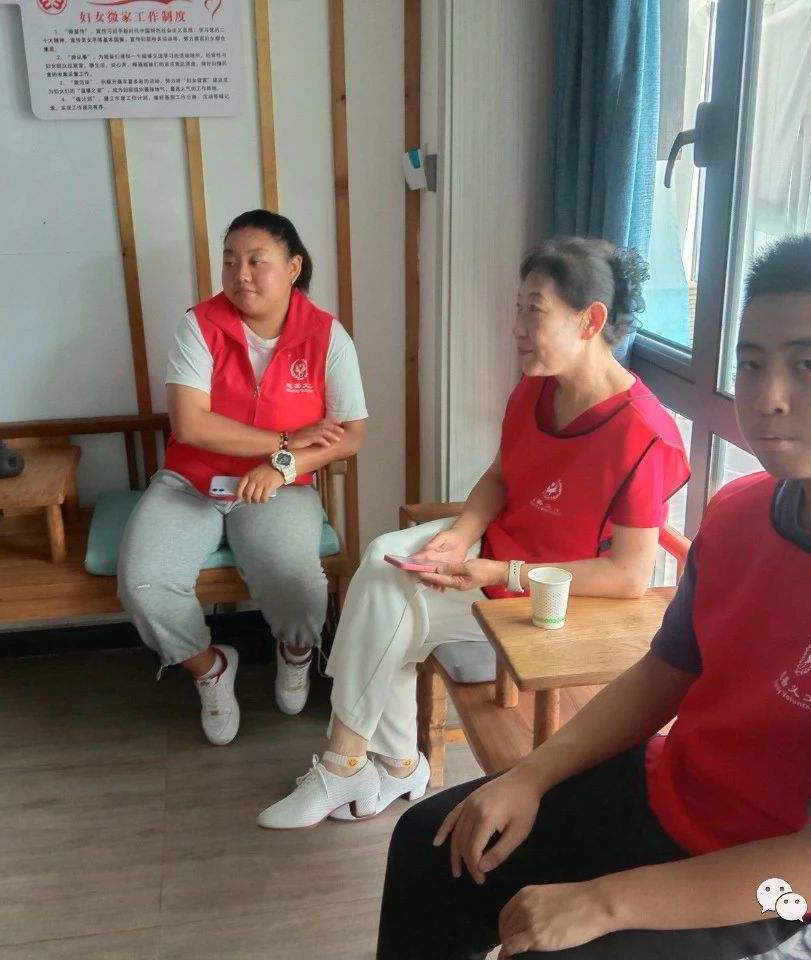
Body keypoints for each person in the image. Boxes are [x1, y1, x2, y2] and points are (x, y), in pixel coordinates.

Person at [376, 234, 811, 960]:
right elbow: (664, 671)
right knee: (433, 844)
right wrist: (531, 774)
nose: (768, 398)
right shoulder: (743, 511)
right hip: (679, 799)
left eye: (809, 365)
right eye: (751, 364)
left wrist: (604, 901)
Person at [258, 237, 690, 829]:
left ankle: (360, 765)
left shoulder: (644, 432)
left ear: (590, 321)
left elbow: (628, 577)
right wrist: (463, 533)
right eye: (517, 307)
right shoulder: (538, 387)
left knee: (392, 614)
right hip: (498, 559)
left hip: (558, 599)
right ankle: (378, 764)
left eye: (533, 310)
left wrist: (498, 570)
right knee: (384, 564)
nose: (516, 327)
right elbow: (500, 477)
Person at [118, 209, 367, 745]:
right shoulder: (199, 325)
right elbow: (191, 424)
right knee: (144, 583)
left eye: (257, 261)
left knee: (297, 582)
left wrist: (282, 466)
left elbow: (349, 435)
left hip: (280, 488)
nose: (241, 275)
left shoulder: (327, 336)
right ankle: (211, 668)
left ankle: (296, 653)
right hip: (191, 483)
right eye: (230, 262)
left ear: (293, 267)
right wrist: (285, 440)